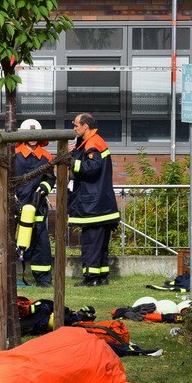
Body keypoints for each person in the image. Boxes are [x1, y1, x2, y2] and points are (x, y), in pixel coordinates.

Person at [69, 113, 120, 286]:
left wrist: (71, 161)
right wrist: (75, 151)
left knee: (91, 242)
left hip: (93, 204)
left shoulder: (92, 143)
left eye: (76, 125)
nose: (74, 128)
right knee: (100, 243)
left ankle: (91, 278)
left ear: (85, 126)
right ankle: (101, 276)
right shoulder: (93, 141)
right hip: (100, 202)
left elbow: (91, 167)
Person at [15, 119, 55, 286]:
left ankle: (43, 278)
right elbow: (4, 177)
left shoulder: (46, 156)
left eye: (35, 135)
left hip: (37, 205)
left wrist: (43, 189)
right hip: (16, 203)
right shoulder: (14, 154)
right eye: (29, 135)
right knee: (6, 238)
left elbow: (50, 179)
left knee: (41, 241)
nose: (32, 138)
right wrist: (11, 196)